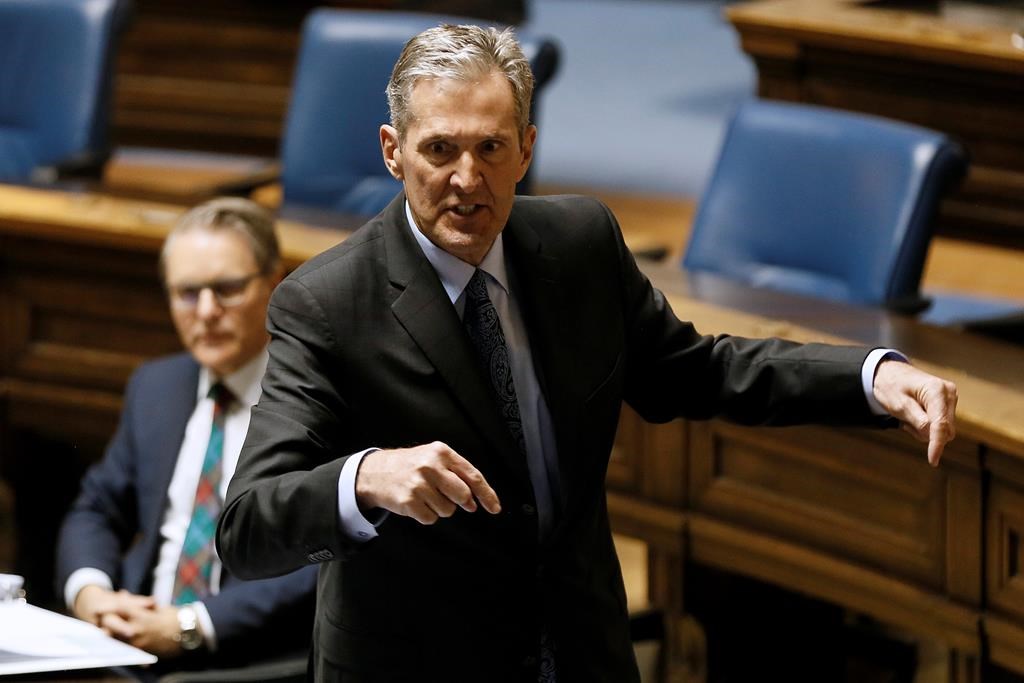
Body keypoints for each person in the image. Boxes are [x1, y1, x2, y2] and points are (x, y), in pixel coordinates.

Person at [216, 25, 958, 683]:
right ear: (392, 151)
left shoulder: (578, 244)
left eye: (490, 148)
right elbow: (248, 523)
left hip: (580, 646)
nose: (467, 180)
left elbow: (696, 370)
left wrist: (870, 376)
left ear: (527, 151)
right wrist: (366, 476)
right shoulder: (326, 303)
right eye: (439, 149)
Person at [56, 198, 317, 675]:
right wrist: (91, 594)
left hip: (255, 660)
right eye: (187, 293)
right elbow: (96, 507)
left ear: (275, 284)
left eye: (228, 289)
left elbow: (324, 558)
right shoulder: (157, 387)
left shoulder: (320, 399)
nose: (207, 311)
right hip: (133, 647)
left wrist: (191, 625)